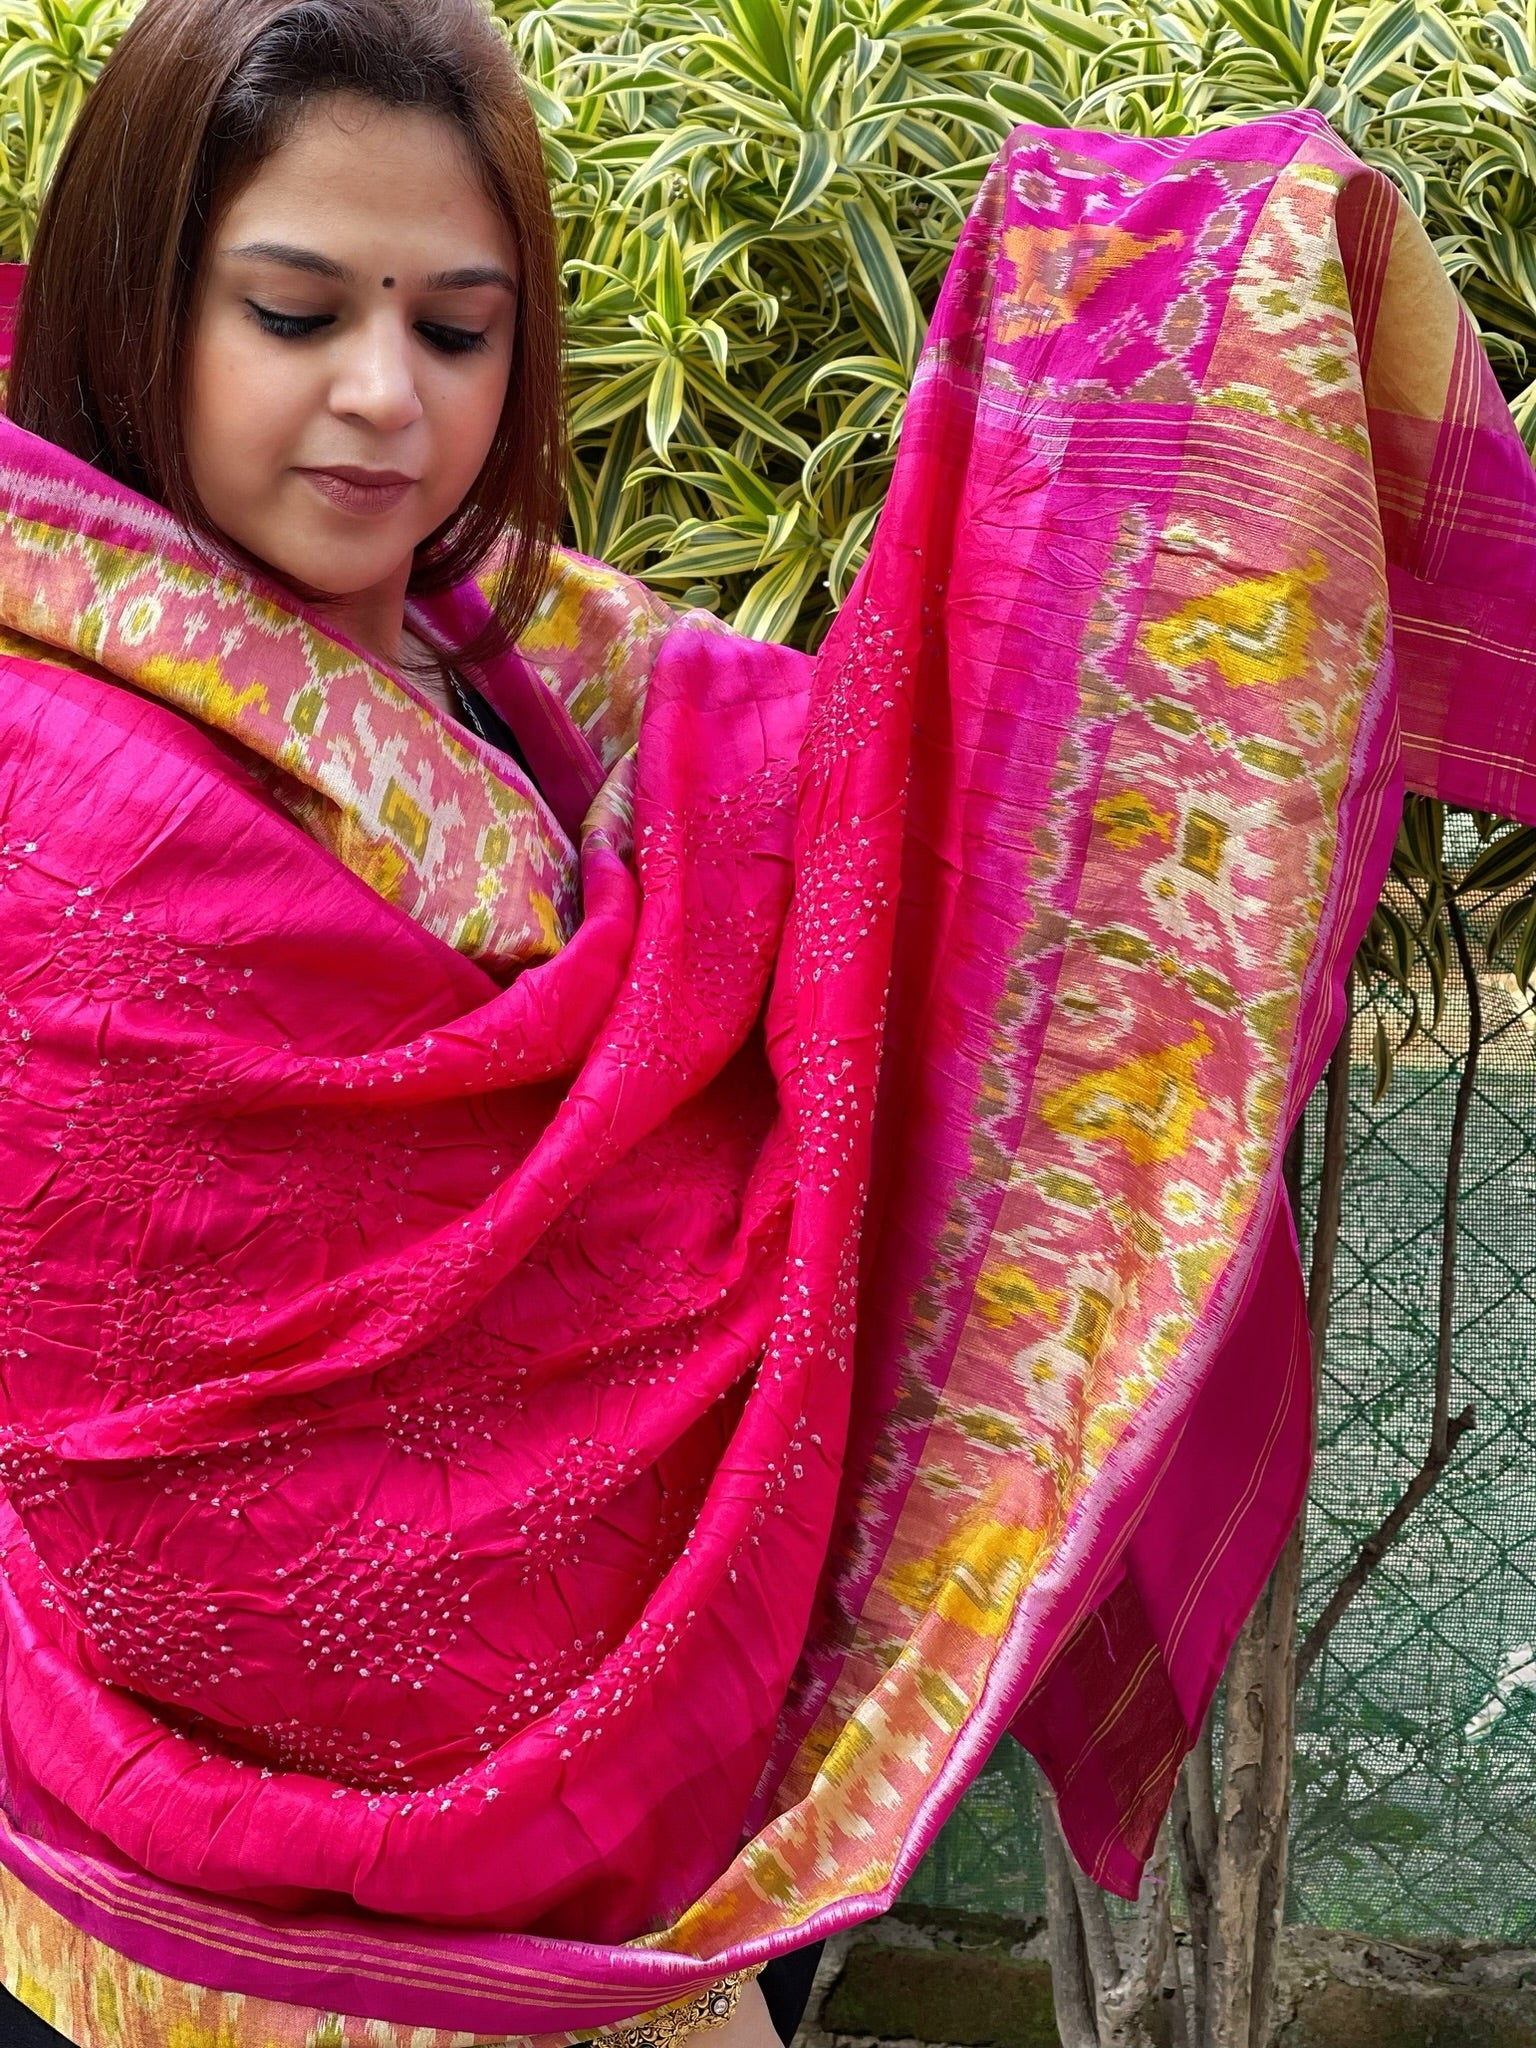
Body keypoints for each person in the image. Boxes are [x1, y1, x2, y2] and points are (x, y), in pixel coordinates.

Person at [2, 0, 1535, 2044]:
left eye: (456, 332)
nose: (383, 398)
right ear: (135, 306)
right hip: (164, 1939)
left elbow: (937, 842)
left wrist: (1162, 343)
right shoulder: (52, 799)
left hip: (685, 1856)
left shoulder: (566, 675)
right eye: (293, 315)